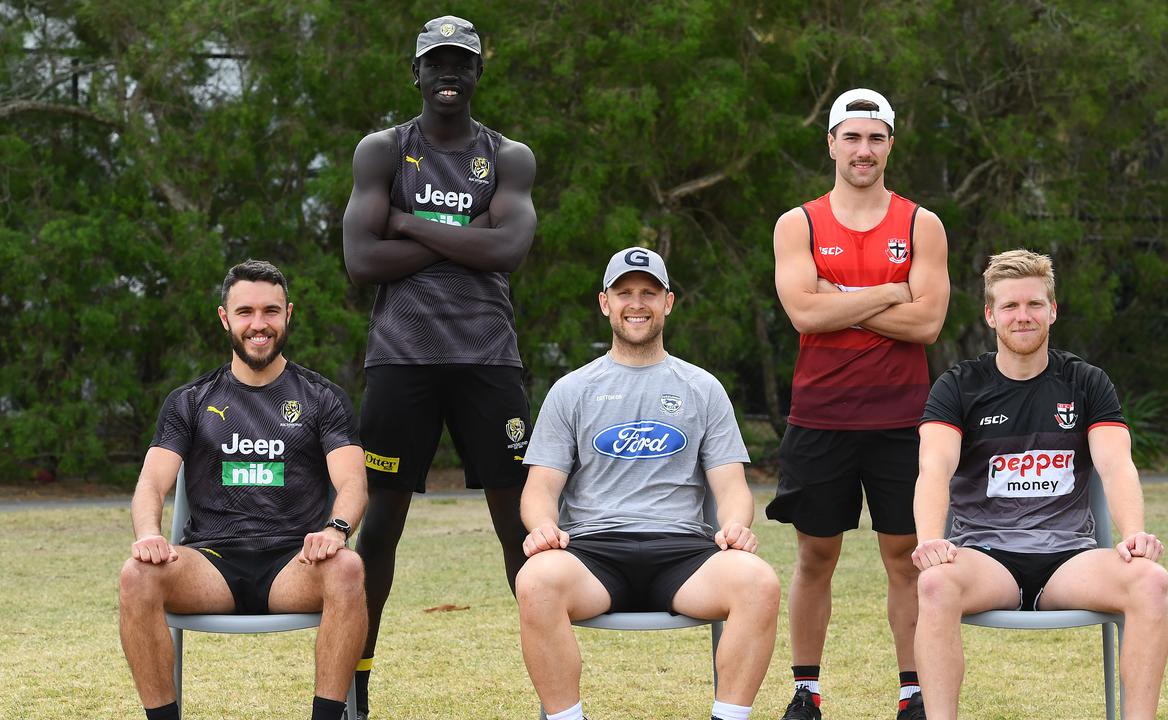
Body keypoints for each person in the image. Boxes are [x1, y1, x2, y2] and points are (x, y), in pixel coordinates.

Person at [340, 15, 538, 717]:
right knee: (379, 529)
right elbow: (362, 263)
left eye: (462, 64)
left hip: (489, 360)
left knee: (520, 529)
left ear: (478, 73)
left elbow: (508, 251)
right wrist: (465, 235)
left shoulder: (508, 157)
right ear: (416, 72)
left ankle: (553, 695)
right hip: (403, 360)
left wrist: (408, 223)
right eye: (437, 64)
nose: (448, 75)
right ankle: (355, 687)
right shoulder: (383, 151)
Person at [515, 247, 780, 720]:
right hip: (593, 554)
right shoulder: (572, 390)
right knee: (535, 579)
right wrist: (541, 527)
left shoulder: (702, 387)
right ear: (605, 303)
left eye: (649, 293)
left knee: (758, 580)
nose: (636, 303)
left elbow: (732, 485)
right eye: (624, 293)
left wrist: (737, 525)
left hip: (683, 554)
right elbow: (540, 488)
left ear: (668, 303)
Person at [912, 249, 1168, 720]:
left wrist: (1133, 532)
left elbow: (1116, 466)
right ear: (991, 316)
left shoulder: (1086, 382)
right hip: (985, 558)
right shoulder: (958, 385)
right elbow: (934, 468)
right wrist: (931, 540)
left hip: (1070, 559)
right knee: (934, 585)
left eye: (1034, 304)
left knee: (1151, 581)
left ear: (1053, 310)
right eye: (1009, 306)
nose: (1022, 316)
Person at [767, 87, 949, 720]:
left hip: (903, 418)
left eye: (875, 138)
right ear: (832, 144)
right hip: (821, 416)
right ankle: (806, 692)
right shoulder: (800, 223)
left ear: (890, 145)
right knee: (817, 555)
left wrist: (840, 297)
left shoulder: (921, 223)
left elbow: (928, 325)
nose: (863, 150)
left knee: (906, 557)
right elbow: (804, 313)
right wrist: (892, 291)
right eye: (852, 137)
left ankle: (913, 693)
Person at [118, 260, 367, 720]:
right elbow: (151, 483)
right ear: (224, 317)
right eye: (246, 311)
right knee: (137, 575)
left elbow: (353, 482)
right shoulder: (190, 400)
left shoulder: (322, 397)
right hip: (210, 566)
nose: (259, 324)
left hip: (294, 563)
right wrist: (149, 534)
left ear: (288, 314)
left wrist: (335, 529)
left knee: (347, 567)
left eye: (270, 311)